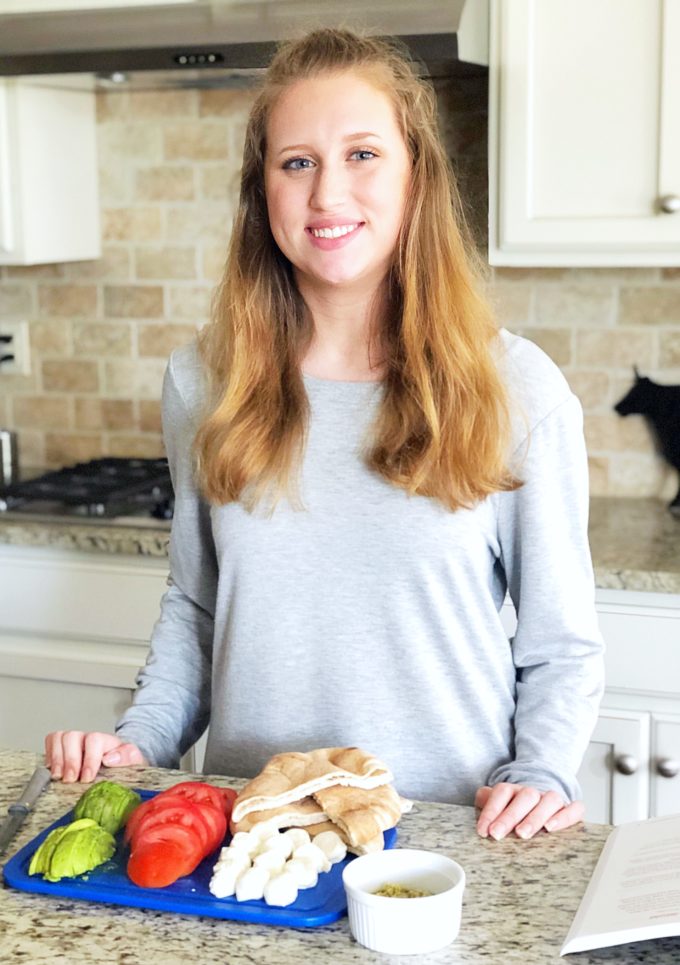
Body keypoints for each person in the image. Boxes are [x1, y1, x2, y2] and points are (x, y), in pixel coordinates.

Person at [45, 27, 604, 842]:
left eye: (363, 154)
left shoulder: (515, 389)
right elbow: (198, 608)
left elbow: (561, 644)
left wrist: (541, 773)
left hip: (444, 840)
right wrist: (140, 741)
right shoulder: (204, 383)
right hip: (249, 839)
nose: (328, 194)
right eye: (296, 161)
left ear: (418, 176)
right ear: (261, 190)